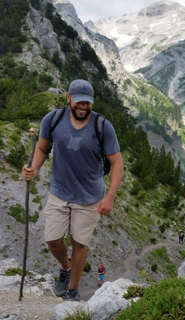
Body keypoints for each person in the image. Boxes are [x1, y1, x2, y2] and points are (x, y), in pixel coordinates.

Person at [22, 79, 123, 302]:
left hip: (89, 199)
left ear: (92, 103)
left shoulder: (102, 126)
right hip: (59, 191)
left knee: (79, 243)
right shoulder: (53, 120)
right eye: (79, 101)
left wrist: (110, 196)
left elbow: (117, 162)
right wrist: (34, 169)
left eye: (87, 102)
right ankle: (65, 268)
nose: (83, 106)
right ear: (69, 98)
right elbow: (41, 147)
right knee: (52, 239)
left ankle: (73, 290)